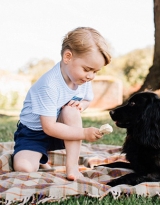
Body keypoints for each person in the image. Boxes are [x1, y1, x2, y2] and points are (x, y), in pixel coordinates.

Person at [12, 27, 112, 181]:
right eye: (88, 69)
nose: (91, 76)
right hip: (34, 133)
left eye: (96, 71)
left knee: (71, 111)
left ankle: (72, 167)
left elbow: (86, 100)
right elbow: (49, 127)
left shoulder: (82, 79)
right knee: (24, 168)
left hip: (62, 129)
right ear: (67, 57)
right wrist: (84, 133)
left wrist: (81, 106)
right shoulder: (49, 85)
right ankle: (38, 156)